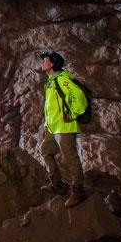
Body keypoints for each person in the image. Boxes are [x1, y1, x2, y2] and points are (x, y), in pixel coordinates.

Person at [38, 50, 87, 207]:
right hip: (53, 128)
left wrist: (72, 114)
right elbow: (51, 108)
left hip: (64, 127)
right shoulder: (51, 82)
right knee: (45, 150)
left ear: (52, 64)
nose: (42, 63)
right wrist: (47, 126)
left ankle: (78, 191)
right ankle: (58, 184)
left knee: (71, 159)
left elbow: (79, 97)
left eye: (44, 60)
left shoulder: (63, 79)